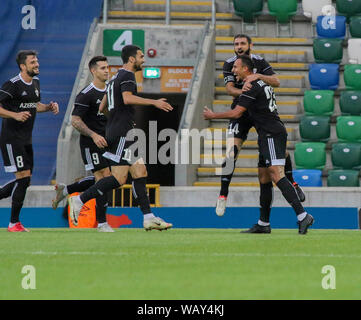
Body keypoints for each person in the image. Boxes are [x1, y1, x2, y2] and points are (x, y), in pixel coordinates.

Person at [204, 55, 314, 235]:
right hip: (267, 134)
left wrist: (212, 116)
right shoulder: (259, 83)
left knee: (276, 175)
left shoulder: (252, 86)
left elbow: (237, 113)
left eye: (236, 68)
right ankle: (263, 223)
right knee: (264, 178)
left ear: (246, 69)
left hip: (271, 133)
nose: (233, 71)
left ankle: (303, 215)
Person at [67, 45, 173, 231]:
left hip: (119, 131)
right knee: (118, 179)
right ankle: (79, 199)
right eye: (141, 57)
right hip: (123, 133)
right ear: (132, 59)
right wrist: (153, 102)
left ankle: (148, 217)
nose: (143, 60)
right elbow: (127, 99)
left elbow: (102, 108)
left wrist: (115, 117)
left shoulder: (114, 78)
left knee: (140, 171)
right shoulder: (127, 75)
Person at [216, 34, 305, 217]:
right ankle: (223, 195)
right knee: (231, 152)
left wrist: (257, 77)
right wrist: (245, 91)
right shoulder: (229, 64)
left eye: (242, 43)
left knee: (282, 151)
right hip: (241, 108)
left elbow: (276, 81)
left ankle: (293, 183)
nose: (239, 47)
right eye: (236, 44)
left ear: (250, 45)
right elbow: (230, 89)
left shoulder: (259, 62)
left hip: (260, 110)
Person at [52, 56, 114, 232]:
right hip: (91, 142)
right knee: (104, 177)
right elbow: (75, 120)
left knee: (109, 178)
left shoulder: (110, 91)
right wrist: (94, 135)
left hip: (107, 141)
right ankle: (102, 223)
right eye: (102, 68)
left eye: (107, 67)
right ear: (93, 71)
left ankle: (67, 191)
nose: (106, 70)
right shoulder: (86, 94)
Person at [0, 50, 59, 232]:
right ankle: (13, 224)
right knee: (23, 178)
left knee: (25, 180)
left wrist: (48, 107)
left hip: (26, 139)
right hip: (12, 139)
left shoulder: (35, 83)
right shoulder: (12, 85)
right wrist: (15, 115)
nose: (37, 64)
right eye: (33, 62)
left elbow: (34, 106)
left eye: (37, 61)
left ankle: (14, 223)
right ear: (23, 66)